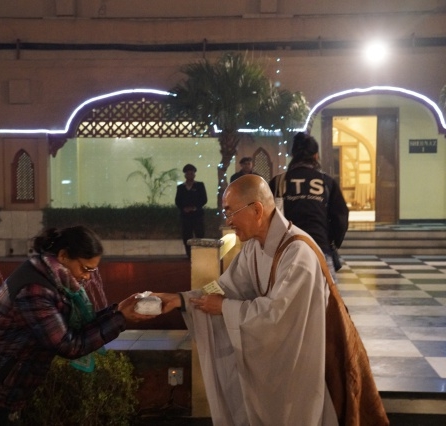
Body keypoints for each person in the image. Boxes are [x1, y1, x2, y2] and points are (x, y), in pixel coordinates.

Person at [155, 175, 387, 426]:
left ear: (256, 209)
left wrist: (224, 308)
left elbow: (277, 315)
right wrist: (182, 300)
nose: (229, 221)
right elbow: (224, 288)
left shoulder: (298, 254)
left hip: (304, 366)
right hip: (282, 365)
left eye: (230, 212)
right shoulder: (254, 247)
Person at [0, 225, 151, 425]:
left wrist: (117, 311)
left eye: (92, 271)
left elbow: (73, 329)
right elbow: (69, 344)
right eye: (85, 268)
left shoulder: (47, 276)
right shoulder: (35, 289)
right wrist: (121, 320)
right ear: (63, 256)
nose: (87, 277)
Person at [268, 132, 349, 281]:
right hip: (320, 248)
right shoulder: (326, 182)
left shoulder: (278, 182)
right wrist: (331, 241)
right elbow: (341, 218)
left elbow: (267, 217)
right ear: (316, 156)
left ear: (293, 155)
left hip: (287, 251)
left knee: (288, 301)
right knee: (326, 301)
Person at [175, 163, 208, 259]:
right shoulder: (181, 187)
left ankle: (200, 255)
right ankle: (189, 255)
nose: (190, 175)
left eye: (192, 173)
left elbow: (204, 199)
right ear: (185, 175)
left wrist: (194, 207)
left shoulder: (200, 185)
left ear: (194, 174)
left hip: (197, 215)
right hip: (185, 216)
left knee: (199, 235)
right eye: (188, 173)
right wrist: (184, 208)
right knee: (186, 236)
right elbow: (177, 201)